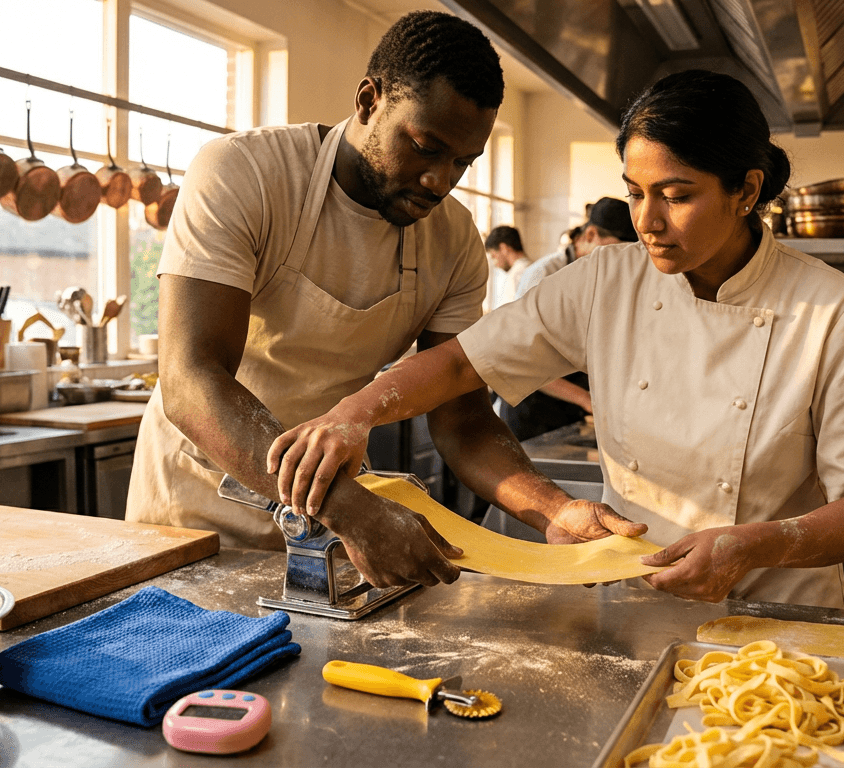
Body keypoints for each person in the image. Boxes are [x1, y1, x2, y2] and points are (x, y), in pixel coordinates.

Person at [268, 69, 844, 608]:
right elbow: (461, 365)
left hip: (779, 615)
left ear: (746, 190)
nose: (649, 221)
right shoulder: (607, 281)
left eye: (677, 195)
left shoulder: (830, 307)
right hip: (635, 598)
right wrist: (355, 414)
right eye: (635, 193)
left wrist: (755, 544)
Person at [127, 11, 637, 589]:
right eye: (425, 147)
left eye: (461, 163)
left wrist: (551, 508)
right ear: (369, 100)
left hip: (330, 526)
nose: (439, 180)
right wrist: (348, 509)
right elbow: (190, 378)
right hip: (199, 513)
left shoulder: (453, 242)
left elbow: (462, 417)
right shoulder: (246, 174)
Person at [501, 196, 639, 440]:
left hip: (571, 409)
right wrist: (588, 400)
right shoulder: (544, 275)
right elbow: (523, 361)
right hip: (533, 410)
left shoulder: (607, 279)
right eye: (616, 250)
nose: (621, 261)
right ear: (590, 235)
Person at [483, 225, 529, 311]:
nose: (495, 263)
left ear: (503, 248)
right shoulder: (532, 267)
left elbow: (509, 317)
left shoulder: (517, 274)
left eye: (493, 256)